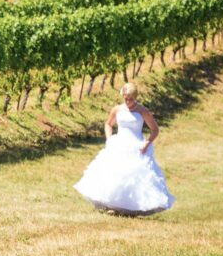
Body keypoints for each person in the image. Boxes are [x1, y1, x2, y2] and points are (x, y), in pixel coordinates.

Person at [73, 82, 175, 215]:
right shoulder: (117, 109)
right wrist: (109, 139)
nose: (128, 101)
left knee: (133, 177)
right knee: (114, 174)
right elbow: (108, 124)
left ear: (135, 97)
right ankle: (113, 206)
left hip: (136, 146)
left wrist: (147, 143)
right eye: (126, 98)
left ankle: (130, 209)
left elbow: (155, 130)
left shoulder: (142, 111)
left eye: (131, 99)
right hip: (119, 144)